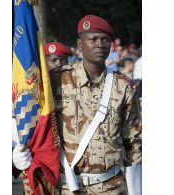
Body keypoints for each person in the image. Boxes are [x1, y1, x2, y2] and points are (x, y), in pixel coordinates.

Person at [13, 15, 142, 195]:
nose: (100, 44)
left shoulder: (124, 86)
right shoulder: (57, 81)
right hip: (68, 187)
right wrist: (18, 156)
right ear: (80, 44)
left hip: (111, 187)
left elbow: (133, 141)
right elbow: (36, 125)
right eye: (93, 39)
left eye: (106, 40)